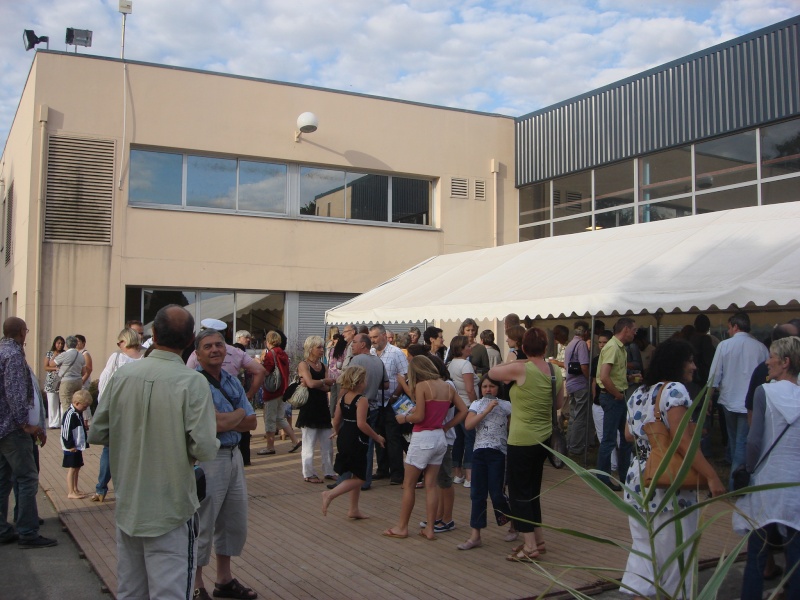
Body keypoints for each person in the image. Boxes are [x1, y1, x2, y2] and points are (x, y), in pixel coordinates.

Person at [88, 305, 219, 599]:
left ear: (153, 334)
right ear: (190, 342)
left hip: (130, 504)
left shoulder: (123, 376)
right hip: (171, 507)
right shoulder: (192, 382)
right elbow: (206, 448)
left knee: (131, 592)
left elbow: (97, 431)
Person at [621, 339, 725, 599]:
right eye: (689, 360)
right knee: (677, 558)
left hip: (639, 480)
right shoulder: (675, 390)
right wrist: (712, 476)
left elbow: (629, 435)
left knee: (644, 554)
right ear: (677, 363)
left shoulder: (638, 393)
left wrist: (652, 443)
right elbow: (683, 441)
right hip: (667, 485)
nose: (693, 366)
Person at [193, 328, 258, 600]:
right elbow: (211, 424)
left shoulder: (231, 380)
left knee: (233, 521)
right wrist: (237, 415)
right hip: (209, 458)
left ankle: (224, 579)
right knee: (203, 521)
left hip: (234, 456)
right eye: (208, 346)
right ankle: (196, 586)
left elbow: (252, 422)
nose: (215, 350)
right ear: (197, 353)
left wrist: (229, 418)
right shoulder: (195, 383)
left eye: (219, 345)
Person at [488, 327, 564, 562]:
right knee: (532, 491)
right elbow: (559, 403)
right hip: (543, 439)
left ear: (523, 347)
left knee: (519, 492)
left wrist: (517, 359)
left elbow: (492, 371)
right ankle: (538, 540)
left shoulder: (521, 368)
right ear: (546, 348)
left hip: (521, 439)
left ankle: (529, 545)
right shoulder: (554, 371)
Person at [734, 336, 800, 600]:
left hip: (766, 480)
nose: (767, 361)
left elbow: (754, 440)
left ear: (785, 362)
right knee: (795, 556)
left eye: (772, 356)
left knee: (757, 556)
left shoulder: (765, 392)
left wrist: (748, 468)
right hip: (795, 483)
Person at [382, 356, 460, 540]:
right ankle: (431, 528)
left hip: (422, 437)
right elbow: (464, 410)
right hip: (439, 437)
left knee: (408, 484)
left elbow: (419, 416)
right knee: (432, 485)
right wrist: (447, 426)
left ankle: (402, 527)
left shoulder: (423, 386)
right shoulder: (448, 386)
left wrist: (404, 418)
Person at [0, 317, 56, 548]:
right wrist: (26, 424)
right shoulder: (13, 355)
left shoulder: (2, 351)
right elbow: (15, 392)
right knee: (26, 478)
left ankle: (3, 529)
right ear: (22, 332)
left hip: (3, 429)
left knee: (3, 481)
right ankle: (28, 531)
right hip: (13, 430)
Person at [709, 311, 769, 487]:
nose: (728, 331)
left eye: (728, 328)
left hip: (729, 399)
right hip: (750, 402)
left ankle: (735, 483)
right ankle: (740, 478)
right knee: (740, 441)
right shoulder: (760, 347)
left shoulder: (724, 346)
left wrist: (709, 398)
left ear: (735, 326)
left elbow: (714, 375)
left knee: (736, 441)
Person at [457, 374, 512, 551]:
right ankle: (475, 535)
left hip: (498, 453)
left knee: (497, 493)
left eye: (492, 386)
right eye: (485, 386)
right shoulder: (477, 405)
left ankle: (513, 521)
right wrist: (486, 410)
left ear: (498, 388)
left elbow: (512, 427)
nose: (488, 389)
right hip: (479, 452)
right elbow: (468, 425)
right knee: (477, 493)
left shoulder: (506, 406)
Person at [321, 366, 385, 518]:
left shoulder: (343, 397)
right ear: (359, 382)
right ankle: (330, 494)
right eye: (364, 380)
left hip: (345, 434)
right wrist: (377, 437)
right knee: (361, 478)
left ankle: (353, 509)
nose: (366, 383)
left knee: (355, 473)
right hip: (357, 438)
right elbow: (362, 424)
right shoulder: (361, 400)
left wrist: (337, 430)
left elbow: (336, 420)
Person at [91, 328, 144, 503]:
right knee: (119, 449)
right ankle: (108, 487)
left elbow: (105, 384)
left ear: (125, 341)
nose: (118, 345)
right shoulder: (144, 358)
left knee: (112, 449)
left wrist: (104, 407)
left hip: (122, 410)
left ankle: (103, 488)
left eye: (119, 341)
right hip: (133, 410)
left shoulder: (119, 358)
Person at [596, 317, 637, 491]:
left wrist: (627, 378)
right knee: (610, 439)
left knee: (626, 438)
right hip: (613, 397)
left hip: (616, 395)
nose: (635, 333)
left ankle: (624, 475)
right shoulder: (613, 347)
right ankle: (603, 477)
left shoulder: (619, 348)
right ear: (626, 329)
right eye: (633, 329)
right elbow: (604, 376)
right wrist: (617, 394)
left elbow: (610, 374)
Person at [347, 333, 389, 491]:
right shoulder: (378, 360)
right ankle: (366, 479)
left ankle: (353, 478)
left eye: (354, 342)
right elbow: (385, 385)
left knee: (355, 443)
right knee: (370, 443)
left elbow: (347, 382)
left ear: (363, 345)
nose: (352, 345)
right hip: (374, 406)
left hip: (358, 405)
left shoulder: (356, 360)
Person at [369, 324, 409, 485]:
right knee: (379, 436)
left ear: (384, 336)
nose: (373, 341)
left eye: (375, 337)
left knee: (393, 438)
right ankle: (382, 469)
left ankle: (397, 473)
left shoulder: (396, 353)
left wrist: (396, 395)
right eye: (371, 338)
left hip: (392, 401)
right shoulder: (371, 353)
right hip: (376, 401)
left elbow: (404, 375)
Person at [297, 335, 337, 484]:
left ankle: (328, 470)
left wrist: (319, 383)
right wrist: (322, 382)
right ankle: (308, 473)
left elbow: (326, 387)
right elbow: (311, 383)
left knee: (328, 443)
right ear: (310, 348)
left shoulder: (323, 366)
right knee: (309, 443)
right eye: (318, 347)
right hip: (309, 407)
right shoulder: (304, 365)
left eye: (322, 347)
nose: (321, 350)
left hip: (322, 407)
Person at [258, 330, 300, 455]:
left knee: (270, 418)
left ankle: (270, 447)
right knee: (279, 417)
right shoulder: (283, 354)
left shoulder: (270, 354)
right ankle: (295, 440)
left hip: (272, 390)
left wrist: (258, 363)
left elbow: (266, 371)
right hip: (282, 389)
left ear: (268, 341)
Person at [447, 335, 478, 488]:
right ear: (461, 348)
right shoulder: (466, 365)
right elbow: (470, 389)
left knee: (458, 440)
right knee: (470, 440)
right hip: (467, 405)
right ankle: (469, 475)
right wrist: (476, 404)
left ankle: (457, 472)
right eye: (468, 346)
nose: (470, 347)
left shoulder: (451, 364)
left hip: (456, 407)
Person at [564, 321, 591, 455]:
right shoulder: (581, 344)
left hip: (570, 383)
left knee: (573, 415)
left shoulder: (570, 344)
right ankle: (576, 447)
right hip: (580, 384)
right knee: (580, 416)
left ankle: (569, 444)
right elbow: (584, 366)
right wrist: (590, 379)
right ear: (585, 332)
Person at [61, 389, 92, 500]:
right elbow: (66, 431)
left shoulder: (78, 413)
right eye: (84, 406)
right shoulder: (70, 414)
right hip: (71, 447)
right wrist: (70, 445)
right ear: (77, 403)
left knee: (77, 467)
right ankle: (71, 491)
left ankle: (75, 488)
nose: (85, 409)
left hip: (77, 446)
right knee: (72, 469)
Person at [51, 336, 85, 418]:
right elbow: (83, 372)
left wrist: (54, 355)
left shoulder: (65, 354)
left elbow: (52, 364)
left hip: (67, 381)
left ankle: (68, 424)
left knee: (66, 404)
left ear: (66, 344)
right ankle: (78, 421)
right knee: (77, 403)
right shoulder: (81, 356)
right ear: (76, 344)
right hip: (78, 381)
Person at [43, 336, 65, 429]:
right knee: (52, 402)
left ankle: (62, 422)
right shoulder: (49, 353)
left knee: (62, 402)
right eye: (58, 343)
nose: (59, 345)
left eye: (61, 343)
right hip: (51, 381)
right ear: (55, 343)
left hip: (62, 380)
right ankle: (53, 423)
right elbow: (46, 367)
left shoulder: (65, 354)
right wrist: (55, 368)